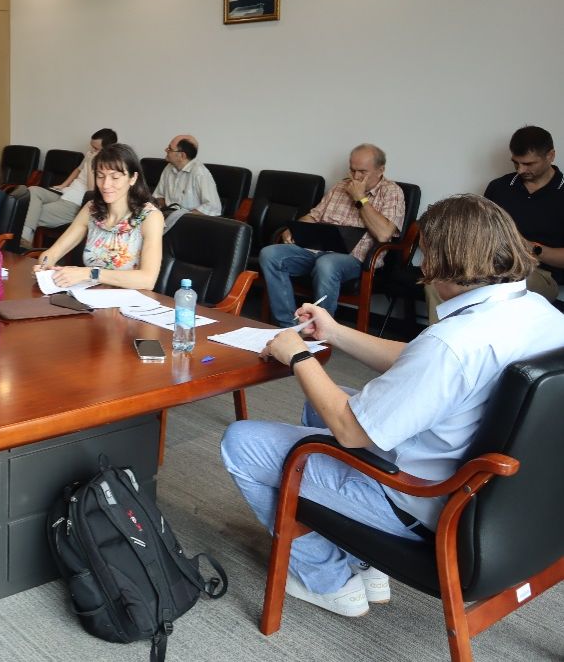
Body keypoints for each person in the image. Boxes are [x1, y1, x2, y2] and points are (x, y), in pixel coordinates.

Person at [221, 194, 564, 618]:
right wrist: (334, 331)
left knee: (241, 442)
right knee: (319, 406)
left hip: (422, 500)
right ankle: (363, 561)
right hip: (509, 504)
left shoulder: (453, 344)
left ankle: (330, 580)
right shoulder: (539, 313)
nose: (421, 264)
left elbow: (349, 430)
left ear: (444, 260)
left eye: (426, 253)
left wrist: (297, 356)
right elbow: (420, 359)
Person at [426, 126, 563, 322]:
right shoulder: (499, 187)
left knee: (495, 289)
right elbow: (479, 230)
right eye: (515, 163)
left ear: (550, 156)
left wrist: (530, 247)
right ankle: (439, 338)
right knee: (438, 282)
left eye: (528, 164)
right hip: (489, 266)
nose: (521, 170)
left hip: (538, 273)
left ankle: (475, 338)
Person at [259, 144, 405, 326]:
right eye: (352, 170)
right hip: (316, 250)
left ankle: (322, 330)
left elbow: (383, 234)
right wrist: (295, 229)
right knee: (270, 254)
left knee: (327, 264)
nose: (356, 177)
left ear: (380, 170)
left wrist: (360, 199)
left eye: (362, 172)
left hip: (354, 259)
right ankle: (289, 325)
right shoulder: (340, 186)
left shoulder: (392, 192)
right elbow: (314, 216)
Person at [33, 143, 163, 290]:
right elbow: (53, 253)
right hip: (90, 294)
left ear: (133, 178)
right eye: (100, 176)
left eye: (115, 177)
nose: (105, 185)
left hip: (129, 300)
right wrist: (44, 266)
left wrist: (89, 273)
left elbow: (147, 280)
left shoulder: (150, 217)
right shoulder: (91, 209)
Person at [20, 128, 117, 248]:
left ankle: (24, 241)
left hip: (74, 203)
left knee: (26, 211)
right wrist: (63, 185)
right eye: (92, 147)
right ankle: (25, 239)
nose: (92, 151)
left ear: (108, 149)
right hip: (64, 193)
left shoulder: (108, 167)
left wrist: (91, 165)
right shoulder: (90, 154)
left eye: (96, 149)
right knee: (32, 190)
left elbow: (91, 191)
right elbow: (78, 170)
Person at [152, 134, 221, 230]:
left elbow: (213, 207)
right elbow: (159, 196)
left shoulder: (200, 173)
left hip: (190, 224)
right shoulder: (168, 168)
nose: (166, 150)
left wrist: (181, 217)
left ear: (182, 155)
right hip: (166, 219)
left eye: (170, 149)